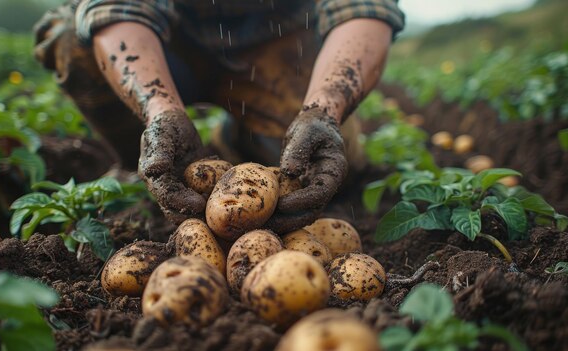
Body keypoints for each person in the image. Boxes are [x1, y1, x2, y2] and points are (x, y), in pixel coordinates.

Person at [34, 0, 405, 233]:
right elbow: (114, 7)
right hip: (167, 42)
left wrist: (323, 110)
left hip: (277, 44)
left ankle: (239, 138)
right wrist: (161, 110)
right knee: (71, 38)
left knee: (323, 165)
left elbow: (365, 8)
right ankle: (149, 159)